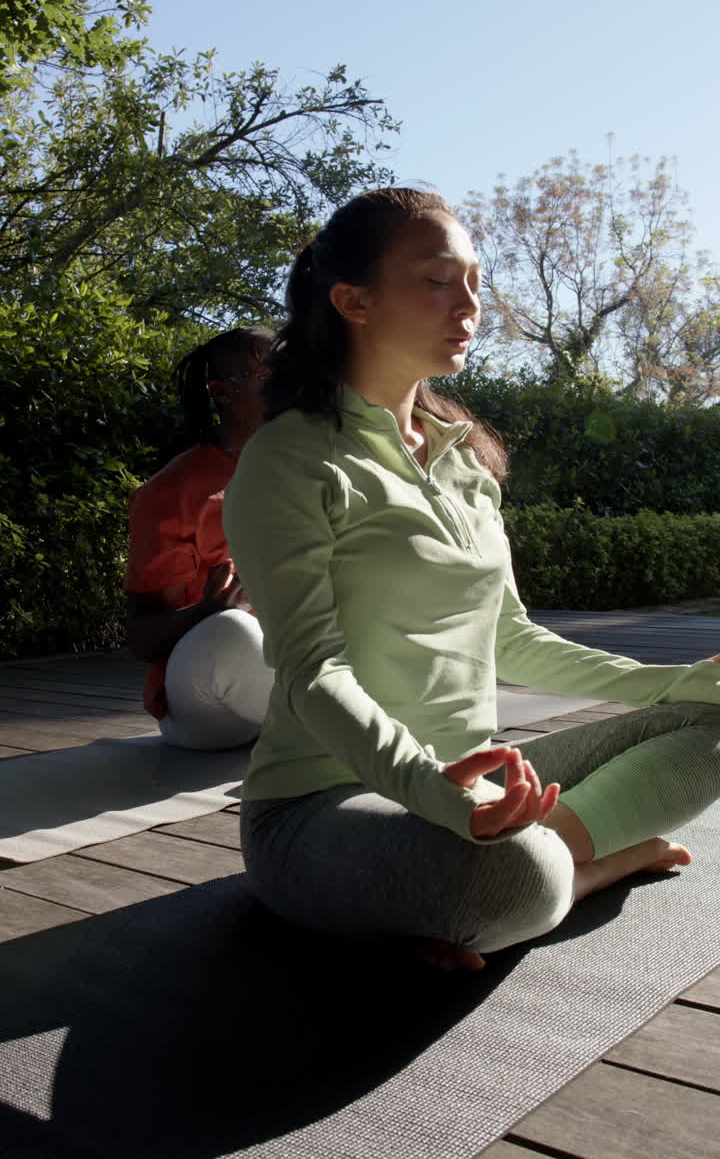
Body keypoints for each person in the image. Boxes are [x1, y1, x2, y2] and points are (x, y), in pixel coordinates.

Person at [222, 187, 720, 970]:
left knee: (713, 725)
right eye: (436, 279)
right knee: (512, 874)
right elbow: (315, 672)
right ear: (352, 299)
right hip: (322, 805)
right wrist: (435, 793)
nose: (470, 303)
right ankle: (568, 874)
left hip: (477, 784)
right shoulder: (292, 460)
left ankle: (506, 887)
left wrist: (681, 680)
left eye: (476, 281)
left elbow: (511, 640)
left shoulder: (465, 460)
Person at [125, 327, 274, 750]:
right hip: (208, 706)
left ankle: (321, 735)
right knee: (229, 632)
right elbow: (142, 636)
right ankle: (340, 741)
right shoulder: (171, 493)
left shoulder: (310, 471)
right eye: (269, 377)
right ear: (222, 391)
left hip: (292, 672)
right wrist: (207, 610)